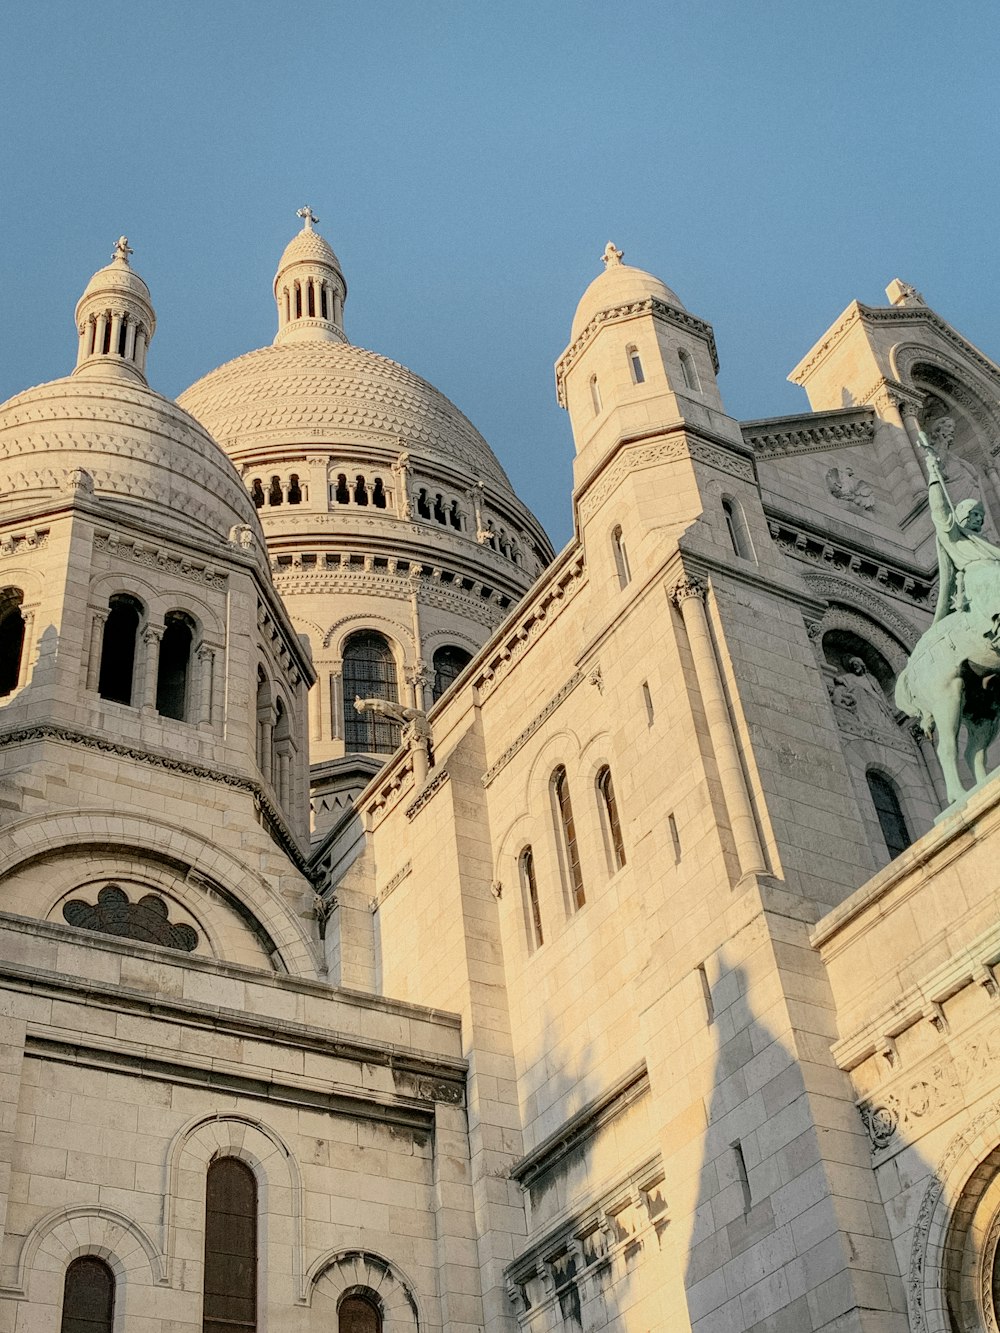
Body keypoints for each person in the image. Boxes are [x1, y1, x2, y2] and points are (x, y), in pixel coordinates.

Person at [920, 434, 1000, 624]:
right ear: (963, 514)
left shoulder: (986, 543)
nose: (980, 518)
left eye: (981, 515)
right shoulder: (955, 536)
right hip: (976, 580)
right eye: (974, 514)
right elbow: (940, 511)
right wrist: (933, 475)